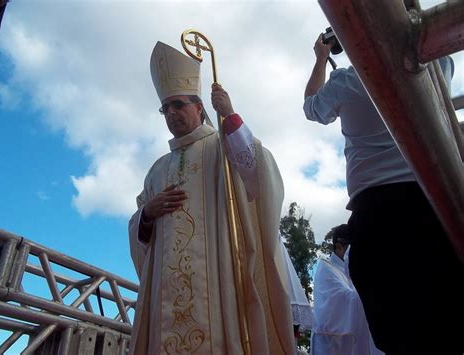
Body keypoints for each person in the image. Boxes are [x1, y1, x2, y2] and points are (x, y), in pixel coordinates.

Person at [128, 41, 294, 354]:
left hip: (218, 283)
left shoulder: (221, 146)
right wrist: (146, 214)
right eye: (166, 108)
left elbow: (257, 172)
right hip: (166, 292)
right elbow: (139, 233)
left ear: (200, 107)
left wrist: (229, 115)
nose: (172, 113)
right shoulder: (156, 170)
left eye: (179, 105)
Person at [303, 32, 463, 354]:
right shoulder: (439, 65)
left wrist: (321, 58)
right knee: (449, 330)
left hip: (377, 215)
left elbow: (311, 107)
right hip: (434, 207)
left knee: (399, 336)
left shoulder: (345, 82)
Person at [310, 224, 382, 355]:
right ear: (339, 246)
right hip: (330, 345)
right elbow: (343, 302)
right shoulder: (326, 269)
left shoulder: (349, 270)